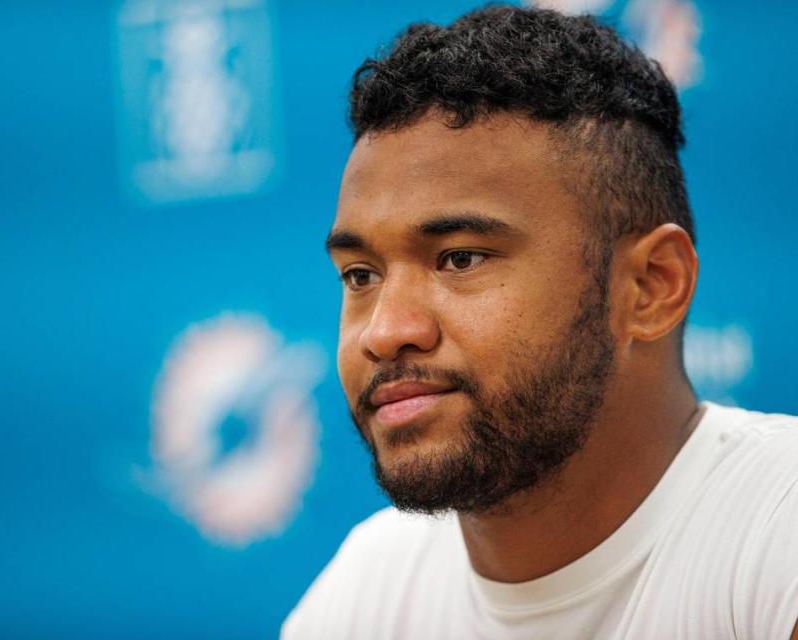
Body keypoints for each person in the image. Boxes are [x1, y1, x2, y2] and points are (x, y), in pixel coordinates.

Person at [281, 5, 798, 639]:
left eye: (460, 258)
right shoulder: (368, 591)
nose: (385, 331)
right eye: (361, 275)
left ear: (650, 286)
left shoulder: (780, 528)